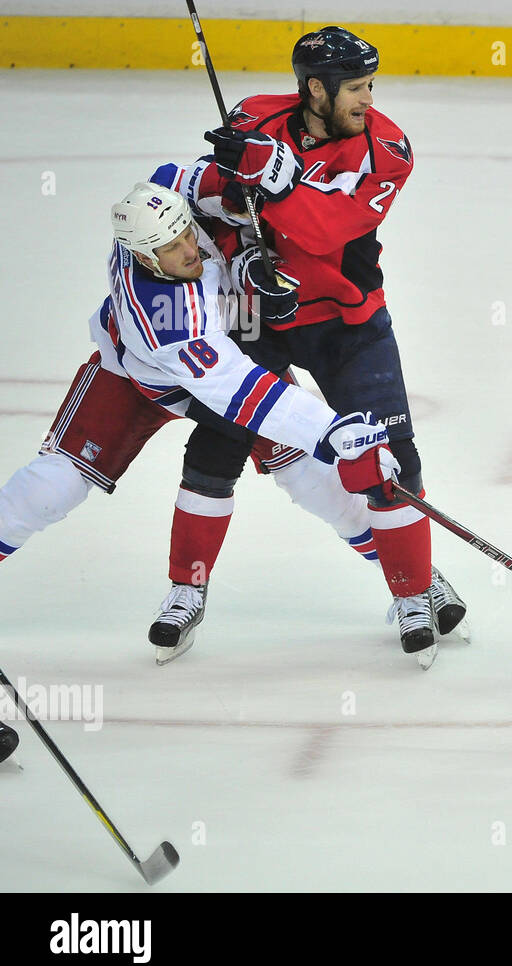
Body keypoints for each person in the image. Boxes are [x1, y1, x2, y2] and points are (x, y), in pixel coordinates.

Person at [0, 174, 402, 666]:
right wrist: (328, 430)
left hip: (230, 346)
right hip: (140, 378)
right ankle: (187, 591)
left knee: (311, 480)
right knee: (52, 487)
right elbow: (239, 391)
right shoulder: (165, 317)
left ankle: (410, 576)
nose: (190, 248)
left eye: (188, 232)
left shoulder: (161, 208)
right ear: (145, 258)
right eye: (173, 247)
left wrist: (243, 175)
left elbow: (184, 175)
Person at [164, 25, 467, 666]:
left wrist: (273, 183)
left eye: (370, 85)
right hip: (261, 320)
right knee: (218, 443)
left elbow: (326, 232)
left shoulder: (388, 150)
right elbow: (205, 207)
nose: (368, 99)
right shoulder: (254, 119)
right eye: (355, 88)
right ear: (315, 89)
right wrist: (229, 193)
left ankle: (412, 589)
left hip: (348, 325)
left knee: (390, 455)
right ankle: (185, 588)